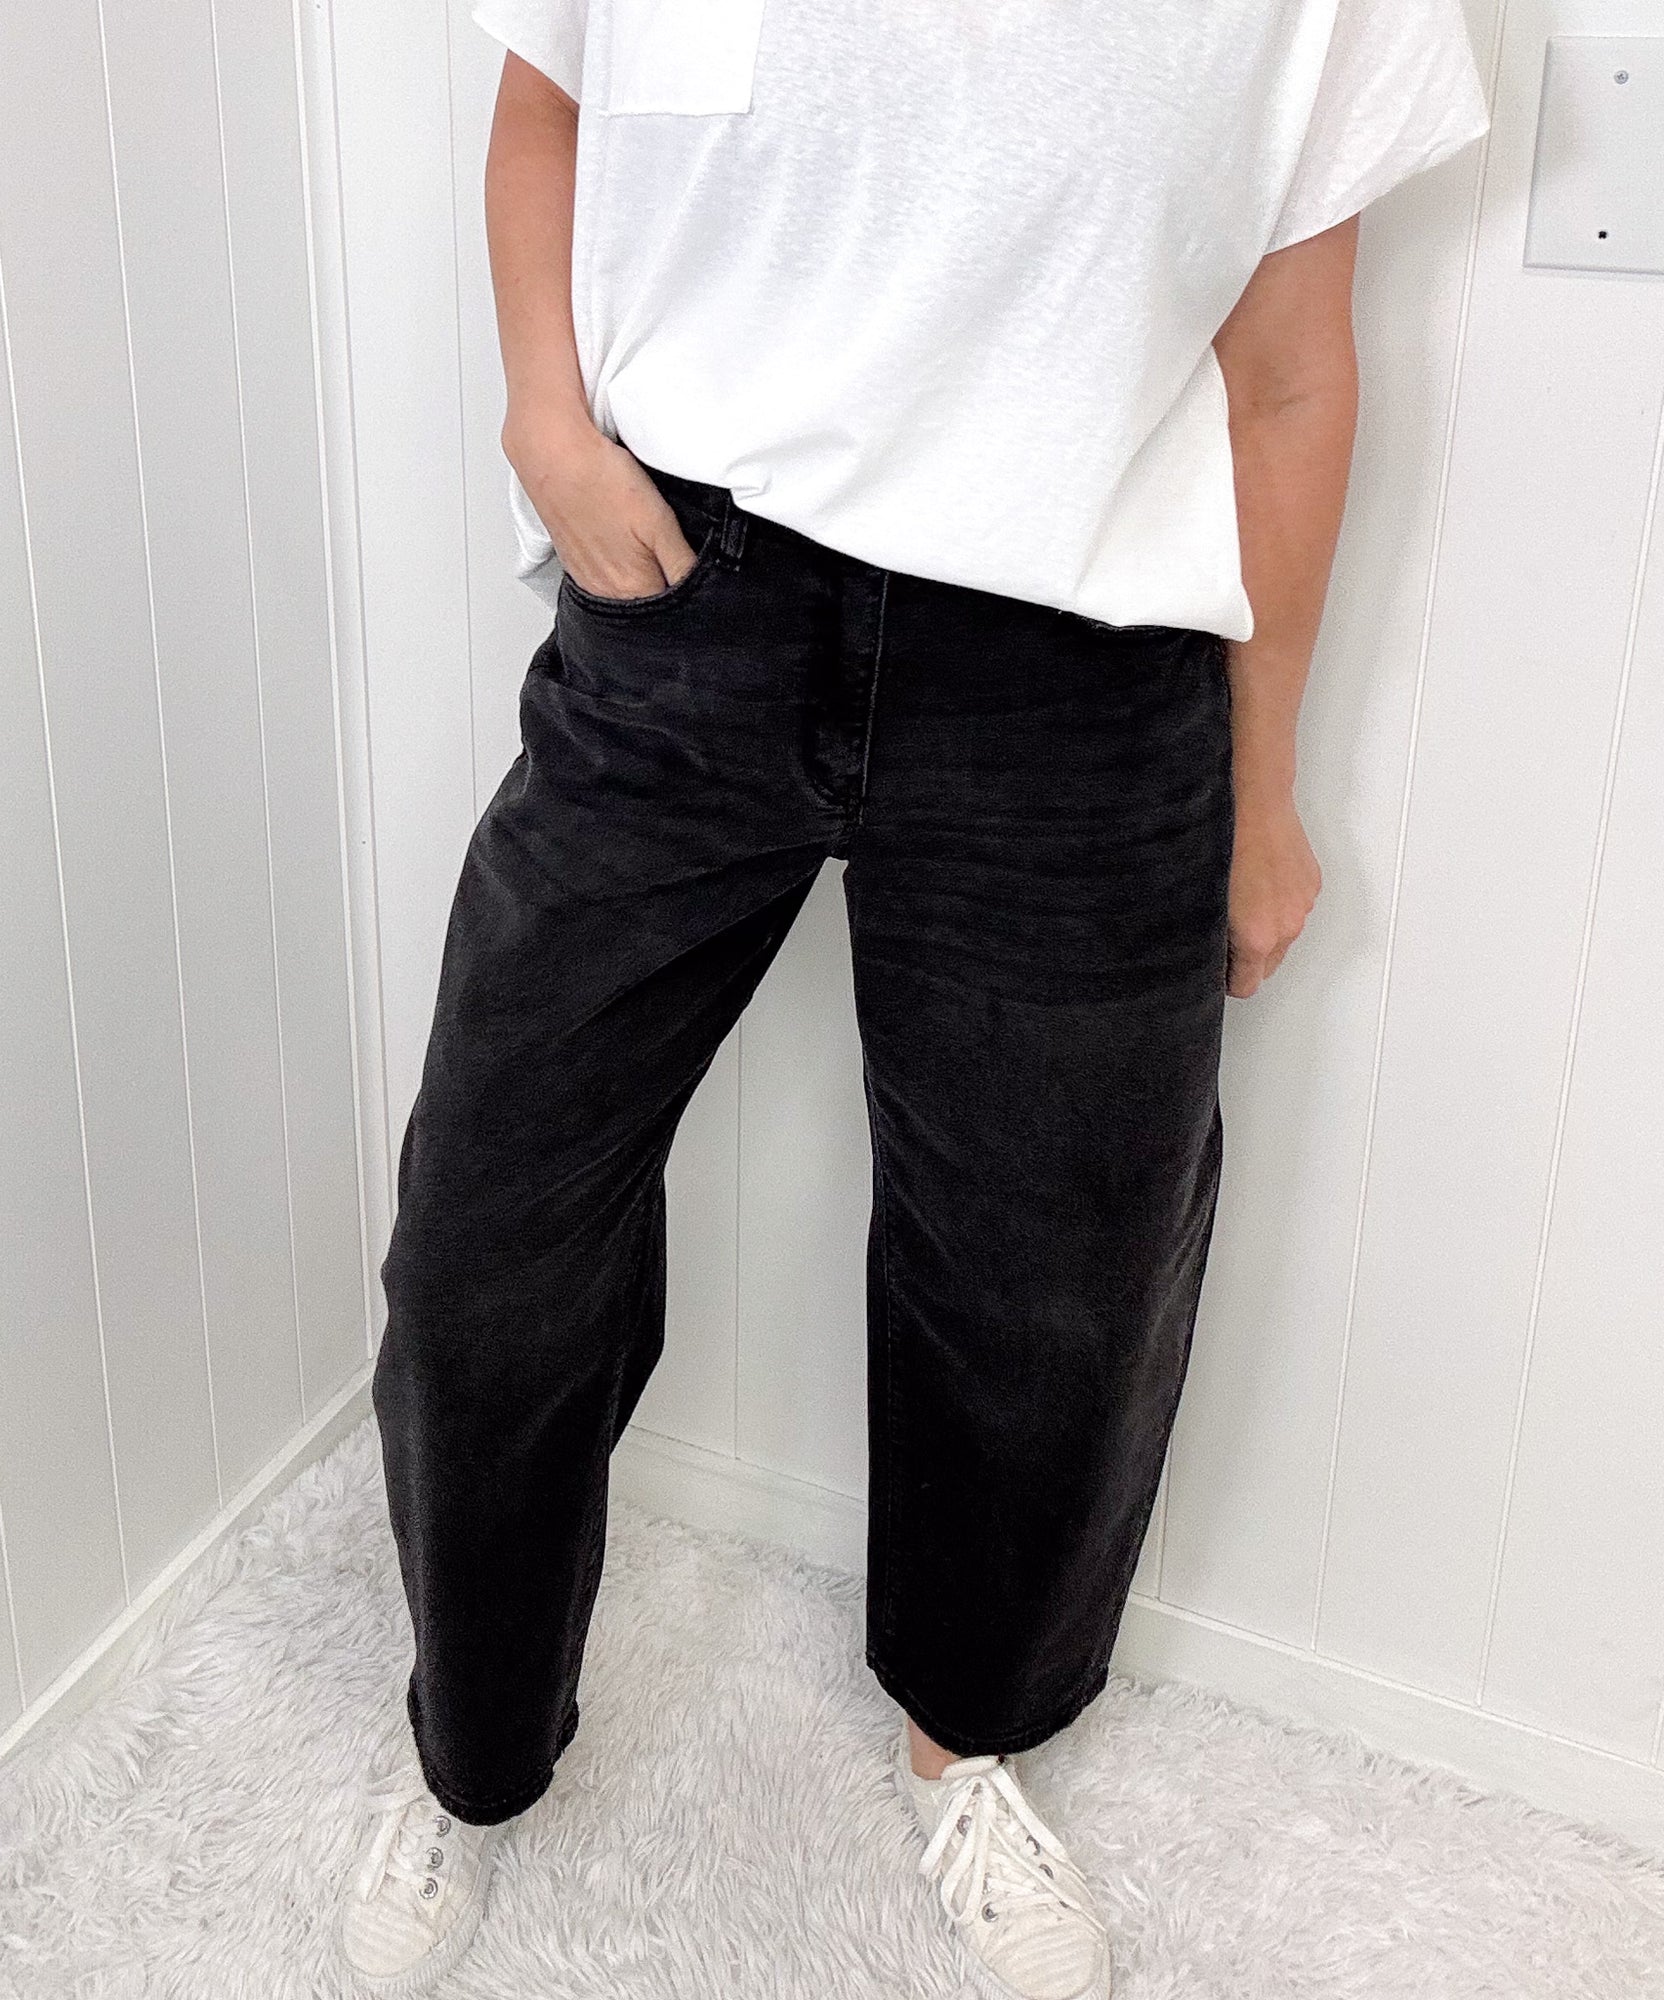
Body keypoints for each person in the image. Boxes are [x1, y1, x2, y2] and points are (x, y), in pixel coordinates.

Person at [338, 1, 1491, 1994]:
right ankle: (474, 1749)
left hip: (1077, 666)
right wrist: (544, 419)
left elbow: (1293, 370)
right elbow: (549, 99)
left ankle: (972, 1737)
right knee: (490, 1232)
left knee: (1057, 1277)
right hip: (686, 599)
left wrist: (1265, 787)